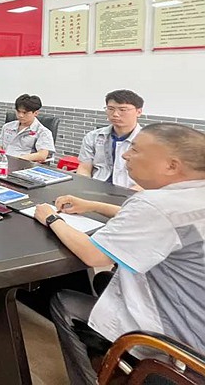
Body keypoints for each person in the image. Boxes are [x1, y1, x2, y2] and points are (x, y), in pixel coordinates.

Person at [32, 124, 205, 385]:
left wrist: (51, 218)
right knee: (104, 281)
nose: (126, 155)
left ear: (171, 166)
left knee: (64, 303)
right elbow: (161, 221)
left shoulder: (154, 205)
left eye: (135, 150)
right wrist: (92, 205)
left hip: (183, 347)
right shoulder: (189, 197)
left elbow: (94, 256)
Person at [77, 90, 144, 189]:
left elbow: (153, 179)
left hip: (132, 192)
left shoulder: (149, 141)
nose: (115, 114)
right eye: (110, 109)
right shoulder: (93, 136)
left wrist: (129, 195)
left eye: (122, 110)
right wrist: (85, 189)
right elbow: (84, 168)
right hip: (96, 187)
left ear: (139, 112)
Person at [0, 94, 55, 162]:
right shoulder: (7, 126)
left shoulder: (43, 132)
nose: (20, 115)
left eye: (25, 113)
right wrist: (0, 157)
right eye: (18, 111)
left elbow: (42, 155)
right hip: (3, 162)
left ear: (36, 113)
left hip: (24, 164)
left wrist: (18, 159)